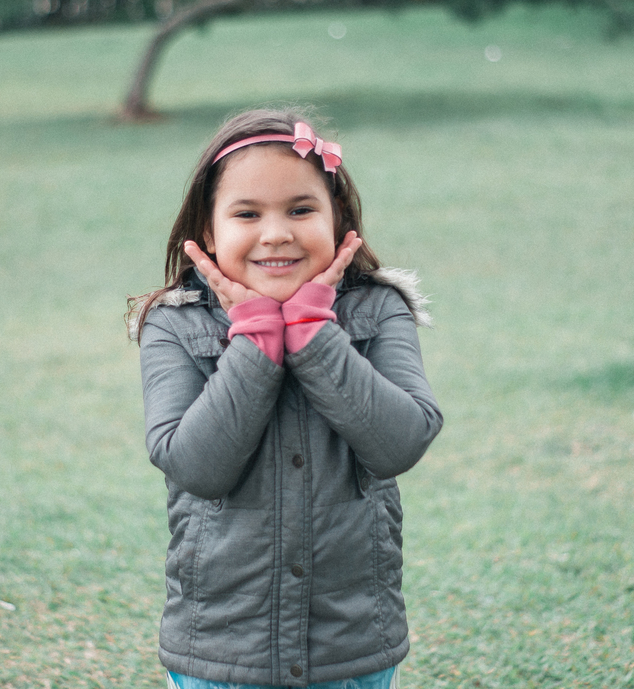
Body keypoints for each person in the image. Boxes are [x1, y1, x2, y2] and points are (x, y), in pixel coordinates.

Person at [128, 107, 443, 689]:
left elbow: (401, 443)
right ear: (209, 228)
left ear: (339, 218)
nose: (276, 233)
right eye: (247, 214)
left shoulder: (379, 309)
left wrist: (315, 334)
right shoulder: (171, 326)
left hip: (350, 649)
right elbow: (196, 466)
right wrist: (256, 339)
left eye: (301, 210)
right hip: (222, 654)